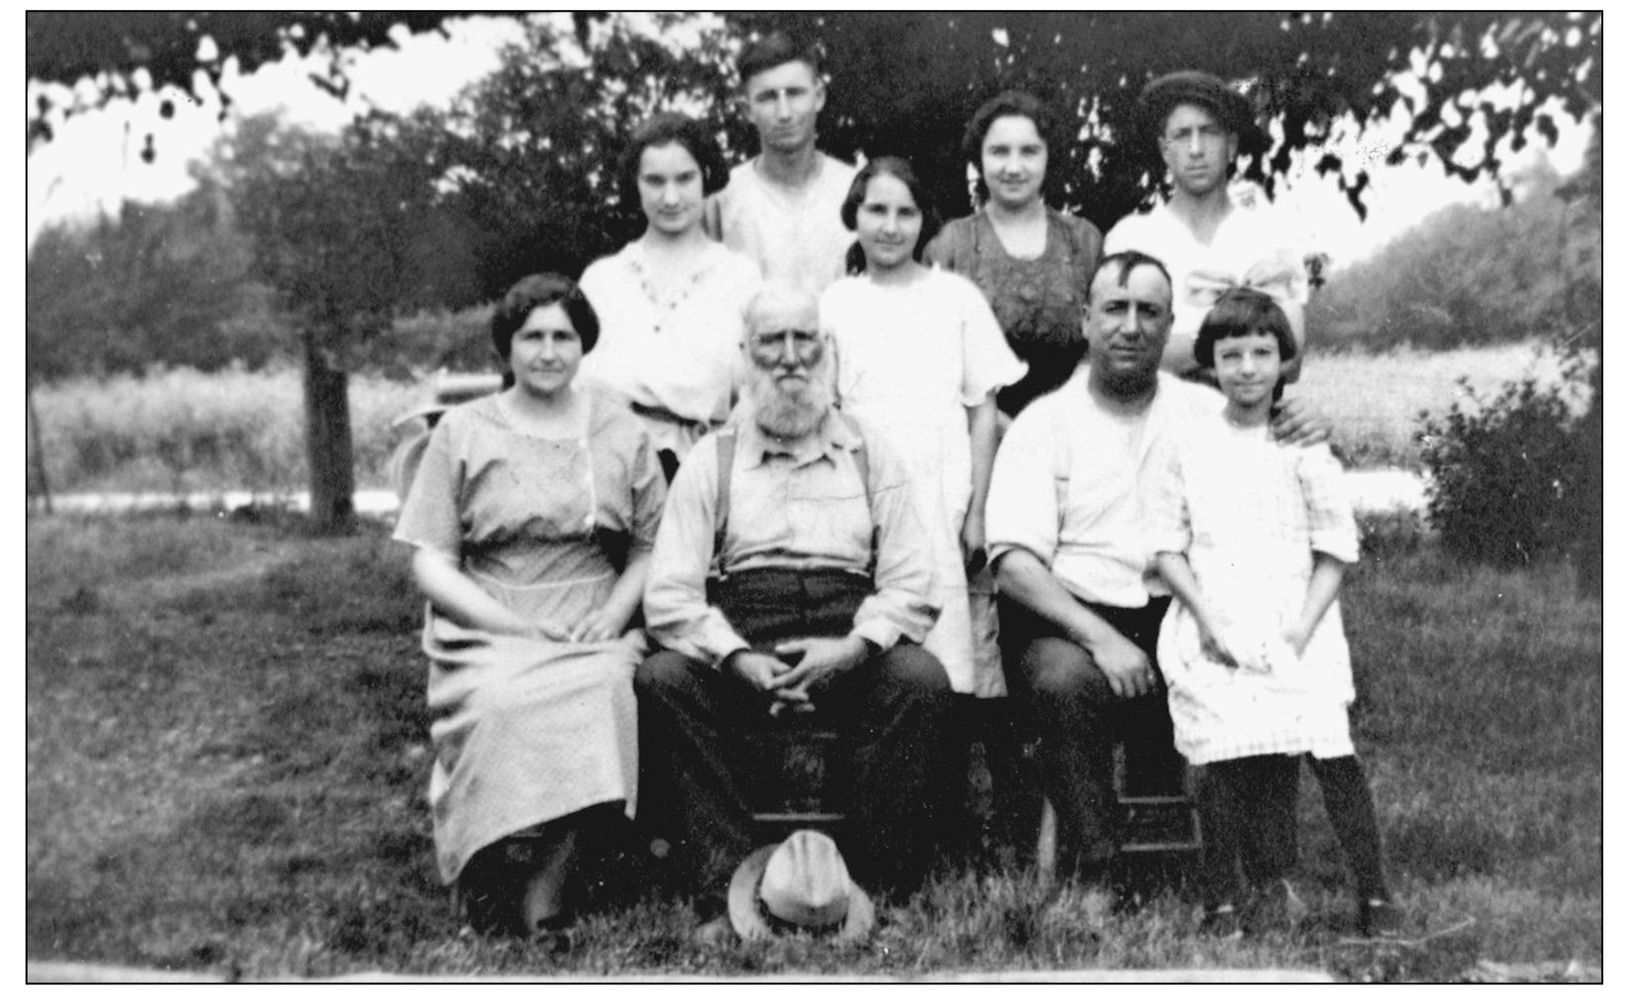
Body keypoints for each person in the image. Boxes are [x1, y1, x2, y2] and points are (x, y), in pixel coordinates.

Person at [985, 251, 1322, 895]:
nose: (1131, 326)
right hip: (1076, 622)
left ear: (1170, 326)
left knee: (1268, 659)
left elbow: (1281, 482)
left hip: (1185, 612)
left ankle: (1267, 871)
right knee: (1063, 682)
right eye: (1115, 309)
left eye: (1148, 312)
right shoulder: (1042, 425)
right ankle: (1100, 870)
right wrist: (1100, 638)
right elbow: (1015, 565)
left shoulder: (1207, 413)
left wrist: (1303, 425)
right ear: (1086, 321)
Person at [637, 283, 952, 940]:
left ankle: (869, 886)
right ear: (745, 355)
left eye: (802, 339)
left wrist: (855, 649)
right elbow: (669, 595)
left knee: (920, 678)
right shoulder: (711, 460)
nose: (789, 358)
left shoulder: (872, 452)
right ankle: (722, 887)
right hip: (743, 649)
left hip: (849, 647)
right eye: (770, 342)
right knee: (662, 679)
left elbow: (912, 580)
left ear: (826, 348)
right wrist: (738, 658)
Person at [393, 273, 667, 940]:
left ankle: (550, 879)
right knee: (497, 704)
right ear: (508, 347)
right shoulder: (463, 430)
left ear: (584, 345)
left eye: (563, 337)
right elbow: (430, 555)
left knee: (606, 693)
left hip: (590, 612)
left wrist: (614, 614)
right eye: (532, 337)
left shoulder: (618, 428)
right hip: (490, 615)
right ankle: (484, 865)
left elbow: (652, 543)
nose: (548, 352)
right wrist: (505, 622)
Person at [1150, 288, 1399, 938]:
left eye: (1263, 353)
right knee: (1220, 753)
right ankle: (1221, 899)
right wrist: (1204, 617)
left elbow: (1337, 547)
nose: (1248, 369)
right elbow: (1166, 544)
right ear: (1210, 363)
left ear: (1284, 361)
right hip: (1217, 616)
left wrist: (1302, 628)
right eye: (1232, 355)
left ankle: (1375, 893)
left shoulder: (1302, 444)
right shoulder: (1189, 442)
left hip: (1298, 618)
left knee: (1330, 748)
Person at [821, 156, 1025, 698]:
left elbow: (983, 410)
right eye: (877, 210)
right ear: (854, 216)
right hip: (862, 489)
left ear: (924, 221)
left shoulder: (955, 298)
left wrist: (977, 511)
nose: (890, 226)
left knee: (945, 648)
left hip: (940, 487)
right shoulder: (837, 302)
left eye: (905, 213)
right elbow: (826, 409)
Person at [580, 112, 761, 482]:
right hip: (611, 469)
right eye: (655, 181)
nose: (671, 197)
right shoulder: (602, 280)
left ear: (706, 177)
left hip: (705, 471)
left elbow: (752, 392)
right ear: (635, 184)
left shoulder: (740, 277)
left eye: (684, 178)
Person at [1103, 71, 1308, 381]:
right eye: (1182, 135)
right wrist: (1248, 333)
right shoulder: (1131, 238)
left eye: (1209, 132)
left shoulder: (1271, 233)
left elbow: (1291, 361)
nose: (1196, 149)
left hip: (1251, 422)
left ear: (1231, 146)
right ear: (1164, 150)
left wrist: (1178, 348)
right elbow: (1123, 357)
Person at [924, 90, 1103, 421]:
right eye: (999, 152)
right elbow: (935, 360)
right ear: (979, 157)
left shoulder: (1083, 240)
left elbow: (1102, 342)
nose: (1014, 167)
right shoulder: (952, 244)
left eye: (1029, 151)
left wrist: (1061, 417)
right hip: (979, 428)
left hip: (1073, 422)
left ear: (1049, 156)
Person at [704, 30, 857, 298]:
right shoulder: (723, 200)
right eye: (768, 97)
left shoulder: (854, 189)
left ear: (818, 96)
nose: (784, 113)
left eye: (795, 93)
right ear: (747, 109)